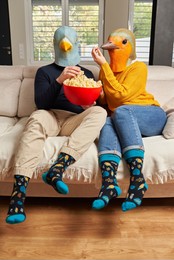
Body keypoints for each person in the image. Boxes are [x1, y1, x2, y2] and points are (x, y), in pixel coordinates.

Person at [6, 26, 107, 224]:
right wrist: (60, 80)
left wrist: (91, 103)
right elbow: (41, 103)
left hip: (74, 120)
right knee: (35, 118)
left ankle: (58, 168)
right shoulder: (45, 72)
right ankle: (18, 194)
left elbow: (92, 104)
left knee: (100, 112)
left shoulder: (86, 72)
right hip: (50, 115)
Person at [91, 28, 167, 212]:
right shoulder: (105, 72)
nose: (113, 46)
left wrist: (103, 66)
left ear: (130, 47)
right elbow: (109, 102)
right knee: (108, 119)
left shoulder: (138, 67)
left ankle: (137, 179)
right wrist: (97, 96)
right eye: (111, 42)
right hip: (122, 117)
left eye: (121, 42)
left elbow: (120, 97)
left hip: (151, 115)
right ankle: (109, 183)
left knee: (121, 111)